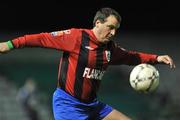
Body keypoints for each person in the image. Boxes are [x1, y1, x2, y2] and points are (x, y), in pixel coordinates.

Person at [0, 7, 175, 120]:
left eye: (116, 29)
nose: (113, 33)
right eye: (110, 27)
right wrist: (10, 44)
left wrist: (156, 58)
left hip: (93, 106)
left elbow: (131, 57)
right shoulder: (76, 37)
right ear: (98, 23)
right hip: (68, 105)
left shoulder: (109, 48)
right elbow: (41, 38)